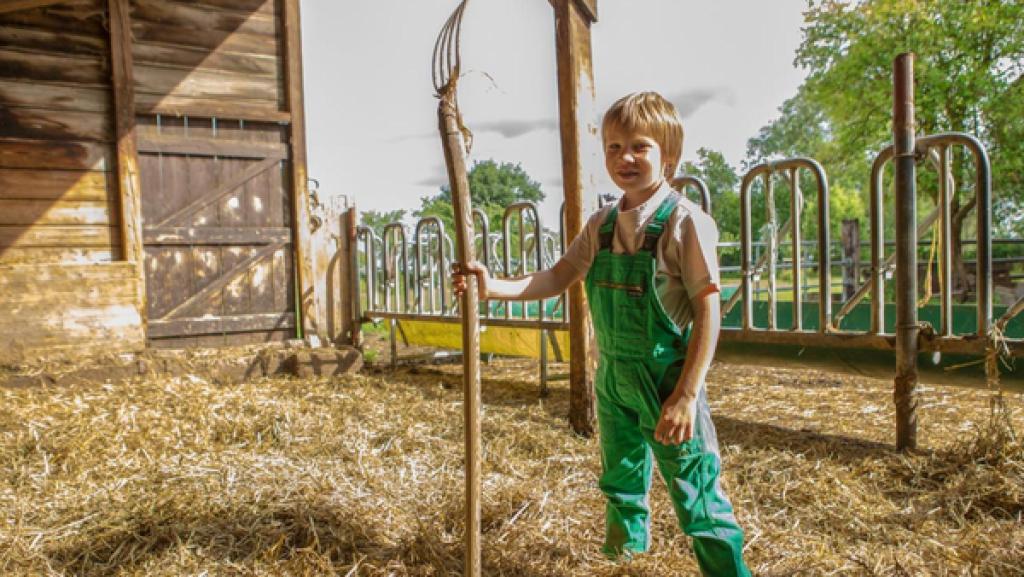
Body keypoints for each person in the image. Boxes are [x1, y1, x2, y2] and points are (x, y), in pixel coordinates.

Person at [452, 92, 750, 575]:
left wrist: (686, 395)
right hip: (612, 380)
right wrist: (493, 288)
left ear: (669, 156)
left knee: (697, 497)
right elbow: (557, 276)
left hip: (665, 382)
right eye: (613, 147)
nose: (624, 158)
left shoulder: (684, 222)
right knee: (621, 487)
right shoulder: (602, 224)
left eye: (639, 146)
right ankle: (624, 564)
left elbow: (708, 310)